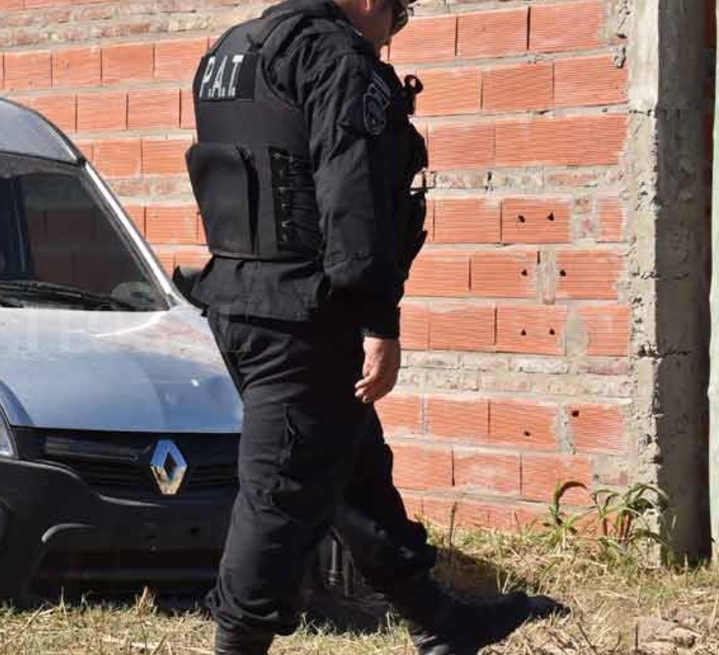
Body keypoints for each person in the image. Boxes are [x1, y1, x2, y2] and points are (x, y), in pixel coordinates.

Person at [184, 1, 568, 653]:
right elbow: (351, 191)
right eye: (398, 13)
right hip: (303, 310)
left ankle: (438, 620)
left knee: (350, 463)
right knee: (279, 490)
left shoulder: (232, 49)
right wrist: (377, 319)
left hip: (241, 297)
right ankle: (237, 643)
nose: (394, 32)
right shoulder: (334, 55)